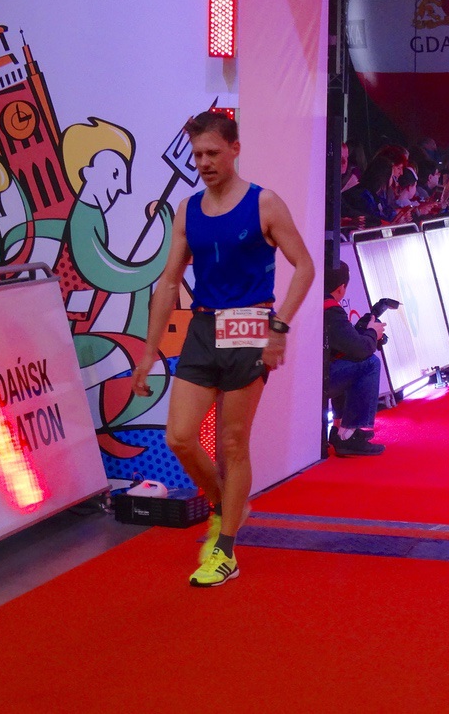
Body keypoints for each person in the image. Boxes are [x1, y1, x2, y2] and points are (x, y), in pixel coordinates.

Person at [130, 111, 314, 587]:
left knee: (233, 444)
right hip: (203, 329)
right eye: (197, 155)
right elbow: (168, 282)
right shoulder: (188, 209)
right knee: (179, 437)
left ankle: (226, 549)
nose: (204, 163)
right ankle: (227, 503)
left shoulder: (264, 203)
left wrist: (279, 328)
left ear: (235, 149)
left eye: (213, 152)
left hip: (250, 330)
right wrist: (149, 351)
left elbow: (305, 266)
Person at [323, 263, 385, 456]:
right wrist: (372, 333)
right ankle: (347, 436)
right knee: (369, 363)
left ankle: (340, 428)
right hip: (319, 380)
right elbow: (360, 349)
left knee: (346, 359)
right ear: (341, 288)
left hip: (311, 374)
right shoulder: (331, 309)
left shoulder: (317, 301)